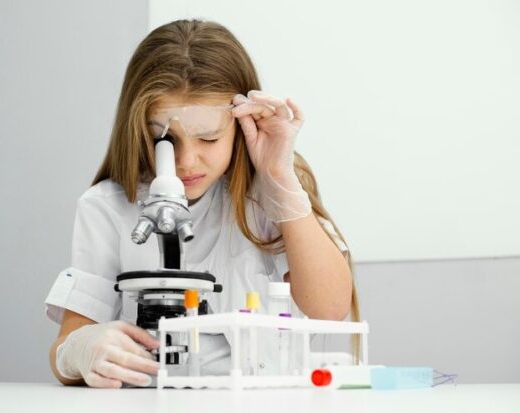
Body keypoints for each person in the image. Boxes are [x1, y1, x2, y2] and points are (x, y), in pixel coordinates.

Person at [44, 19, 359, 389]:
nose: (187, 162)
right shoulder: (107, 207)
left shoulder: (264, 197)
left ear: (242, 125)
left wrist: (281, 180)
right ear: (136, 130)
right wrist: (79, 351)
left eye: (208, 139)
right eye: (165, 141)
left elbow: (330, 308)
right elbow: (66, 346)